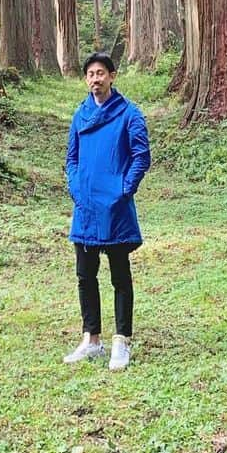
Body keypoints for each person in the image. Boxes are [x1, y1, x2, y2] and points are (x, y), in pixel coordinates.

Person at [63, 51, 151, 371]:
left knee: (119, 275)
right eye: (90, 74)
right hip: (85, 207)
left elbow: (141, 156)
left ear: (112, 76)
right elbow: (71, 158)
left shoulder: (129, 114)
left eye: (100, 73)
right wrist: (76, 188)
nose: (95, 79)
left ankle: (121, 341)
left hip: (115, 207)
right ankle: (92, 339)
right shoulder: (80, 115)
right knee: (85, 275)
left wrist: (123, 190)